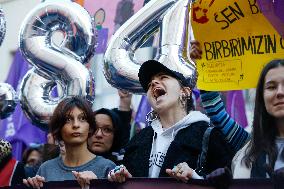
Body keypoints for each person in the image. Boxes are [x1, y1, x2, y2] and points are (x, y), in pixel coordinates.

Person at [108, 60, 233, 183]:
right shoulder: (138, 139)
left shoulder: (209, 136)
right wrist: (124, 178)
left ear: (184, 92)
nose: (153, 82)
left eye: (163, 77)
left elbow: (226, 183)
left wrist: (195, 177)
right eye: (148, 84)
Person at [190, 41, 284, 178]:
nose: (280, 92)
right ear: (261, 98)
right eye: (271, 87)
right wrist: (204, 65)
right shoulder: (248, 145)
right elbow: (215, 111)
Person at [23, 96, 116, 188]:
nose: (76, 125)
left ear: (90, 127)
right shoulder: (46, 169)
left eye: (82, 118)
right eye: (68, 119)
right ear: (59, 128)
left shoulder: (107, 167)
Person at [88, 90, 132, 164]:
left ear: (115, 136)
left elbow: (124, 122)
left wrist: (125, 100)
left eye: (107, 130)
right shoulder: (70, 163)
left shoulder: (122, 170)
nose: (99, 134)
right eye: (94, 128)